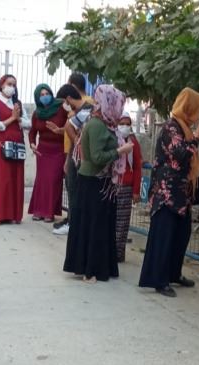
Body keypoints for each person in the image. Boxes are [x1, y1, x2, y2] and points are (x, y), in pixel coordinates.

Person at [139, 87, 199, 297]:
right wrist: (196, 138)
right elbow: (180, 154)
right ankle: (159, 280)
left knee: (180, 235)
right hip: (167, 193)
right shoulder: (172, 127)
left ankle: (173, 273)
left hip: (181, 193)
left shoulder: (183, 127)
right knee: (164, 237)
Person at [62, 84, 133, 282]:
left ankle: (99, 266)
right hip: (93, 183)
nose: (119, 108)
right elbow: (97, 157)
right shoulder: (96, 125)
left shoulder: (106, 124)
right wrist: (120, 151)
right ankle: (90, 268)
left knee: (101, 226)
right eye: (117, 104)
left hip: (102, 183)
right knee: (93, 226)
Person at [53, 84, 95, 235]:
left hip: (83, 158)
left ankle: (75, 223)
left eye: (64, 102)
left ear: (69, 99)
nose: (64, 106)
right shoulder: (78, 112)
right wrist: (68, 159)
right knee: (72, 189)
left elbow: (69, 127)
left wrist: (78, 143)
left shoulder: (88, 109)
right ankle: (72, 221)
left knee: (78, 191)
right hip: (74, 157)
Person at [0, 74, 30, 224]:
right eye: (9, 84)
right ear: (1, 85)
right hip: (3, 143)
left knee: (16, 178)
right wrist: (12, 118)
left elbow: (28, 124)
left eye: (14, 85)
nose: (11, 87)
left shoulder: (17, 104)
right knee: (3, 178)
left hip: (17, 143)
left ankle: (14, 215)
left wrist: (18, 118)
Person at [28, 84, 67, 222]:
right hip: (42, 151)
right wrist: (32, 144)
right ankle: (38, 211)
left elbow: (70, 126)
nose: (45, 97)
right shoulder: (37, 113)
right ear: (37, 98)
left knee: (53, 180)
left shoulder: (61, 108)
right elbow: (32, 132)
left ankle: (49, 212)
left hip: (58, 149)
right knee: (42, 181)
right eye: (42, 95)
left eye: (47, 94)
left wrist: (60, 130)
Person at [115, 113, 143, 262]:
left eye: (127, 124)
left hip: (126, 187)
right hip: (112, 185)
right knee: (110, 221)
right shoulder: (112, 139)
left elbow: (137, 167)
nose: (125, 126)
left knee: (122, 224)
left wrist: (136, 191)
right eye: (122, 123)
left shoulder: (133, 142)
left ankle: (118, 254)